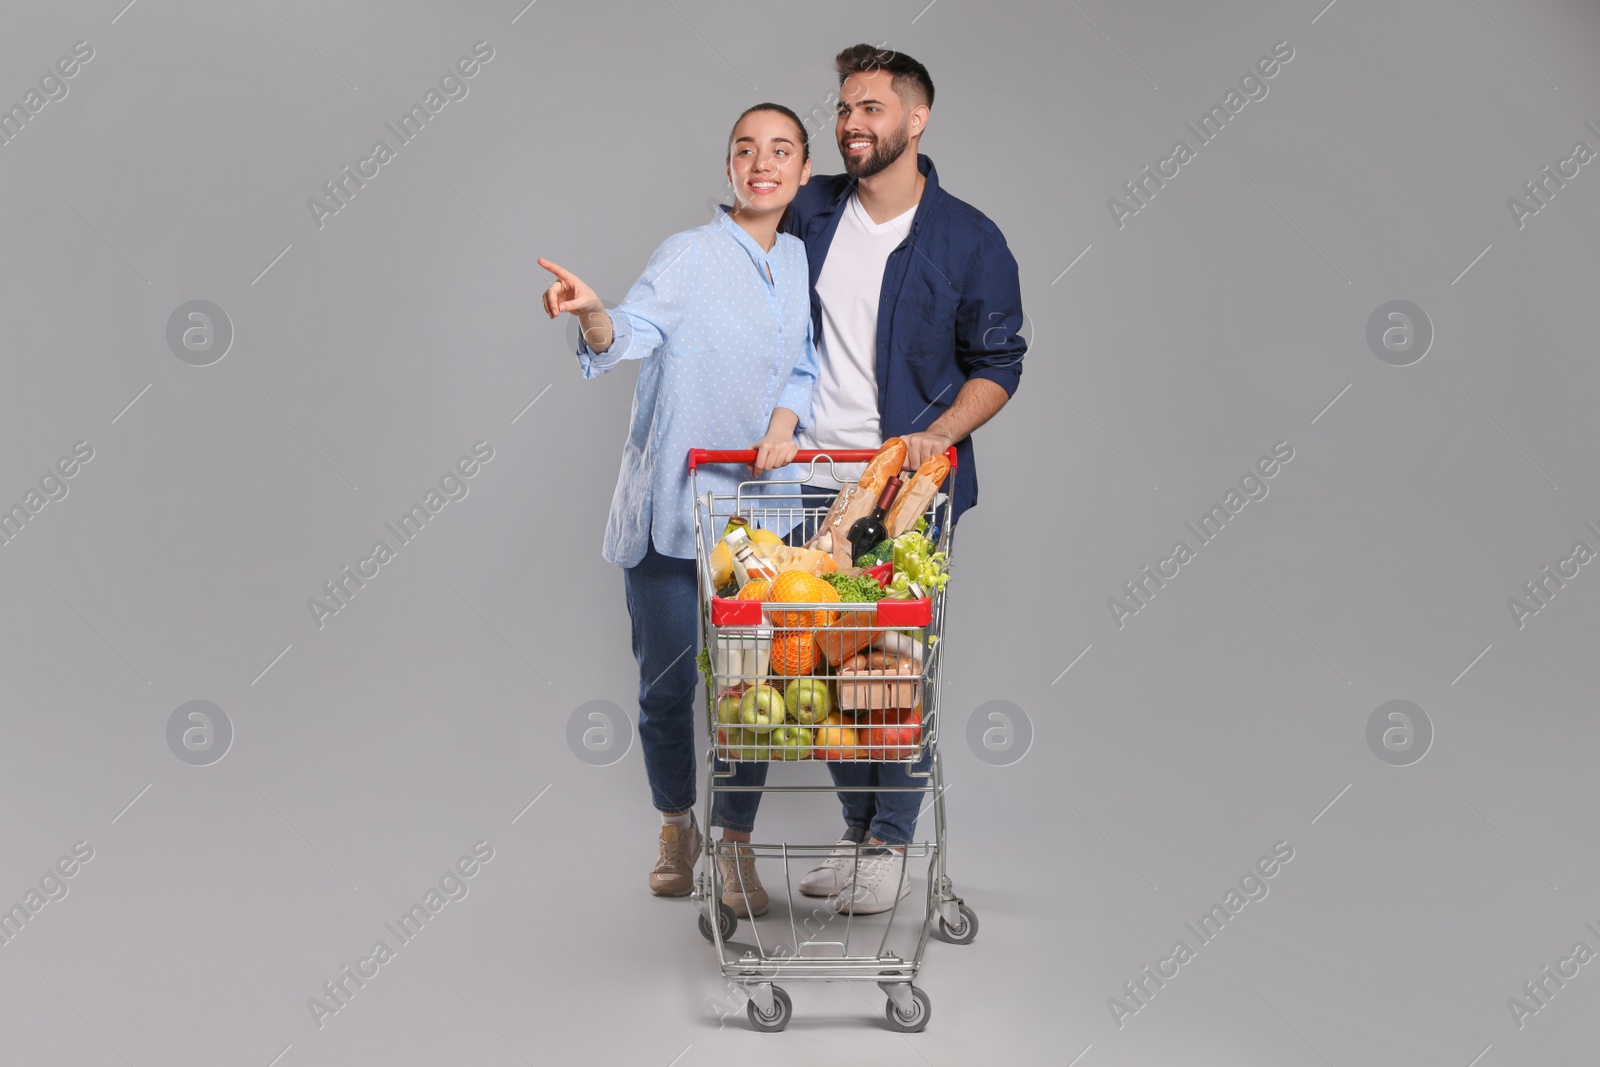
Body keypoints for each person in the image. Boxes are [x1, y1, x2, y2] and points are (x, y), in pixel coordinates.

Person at [540, 104, 817, 919]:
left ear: (803, 171)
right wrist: (592, 312)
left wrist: (780, 423)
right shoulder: (688, 255)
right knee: (666, 687)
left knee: (747, 688)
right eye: (745, 149)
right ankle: (676, 827)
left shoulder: (800, 259)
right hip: (671, 509)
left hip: (756, 521)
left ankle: (734, 842)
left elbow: (802, 362)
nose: (761, 163)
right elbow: (628, 331)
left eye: (781, 151)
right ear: (729, 167)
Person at [784, 45, 1027, 913]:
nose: (852, 124)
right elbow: (735, 266)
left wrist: (938, 434)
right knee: (819, 666)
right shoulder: (809, 212)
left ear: (916, 120)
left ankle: (890, 842)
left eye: (872, 109)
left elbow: (999, 363)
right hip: (811, 483)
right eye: (845, 108)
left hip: (902, 493)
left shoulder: (970, 238)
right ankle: (858, 833)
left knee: (889, 669)